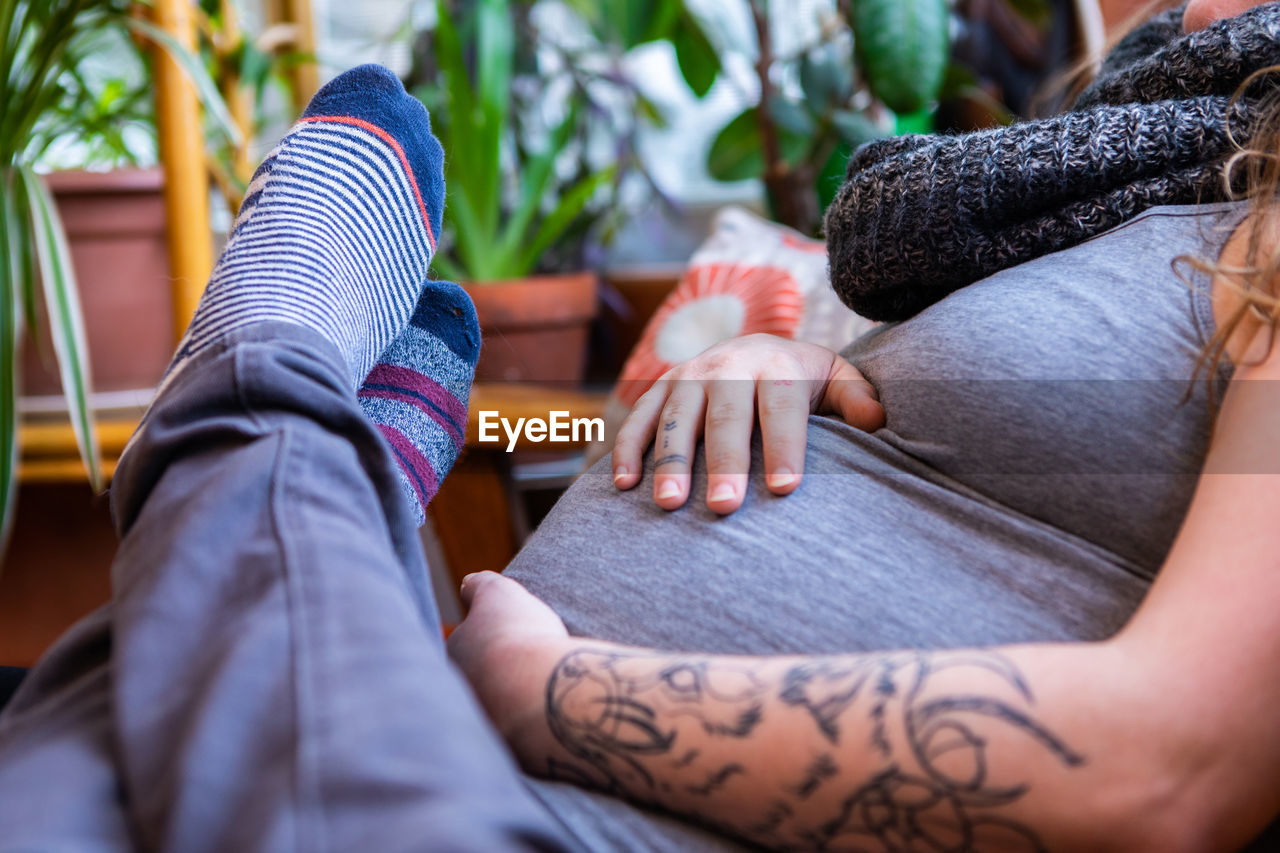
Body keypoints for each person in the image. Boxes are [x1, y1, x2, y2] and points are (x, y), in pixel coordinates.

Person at [0, 2, 1277, 852]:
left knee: (159, 658)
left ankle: (274, 388)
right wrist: (800, 355)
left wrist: (549, 694)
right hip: (446, 756)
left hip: (536, 811)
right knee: (51, 793)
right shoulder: (1125, 181)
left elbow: (1169, 765)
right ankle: (333, 479)